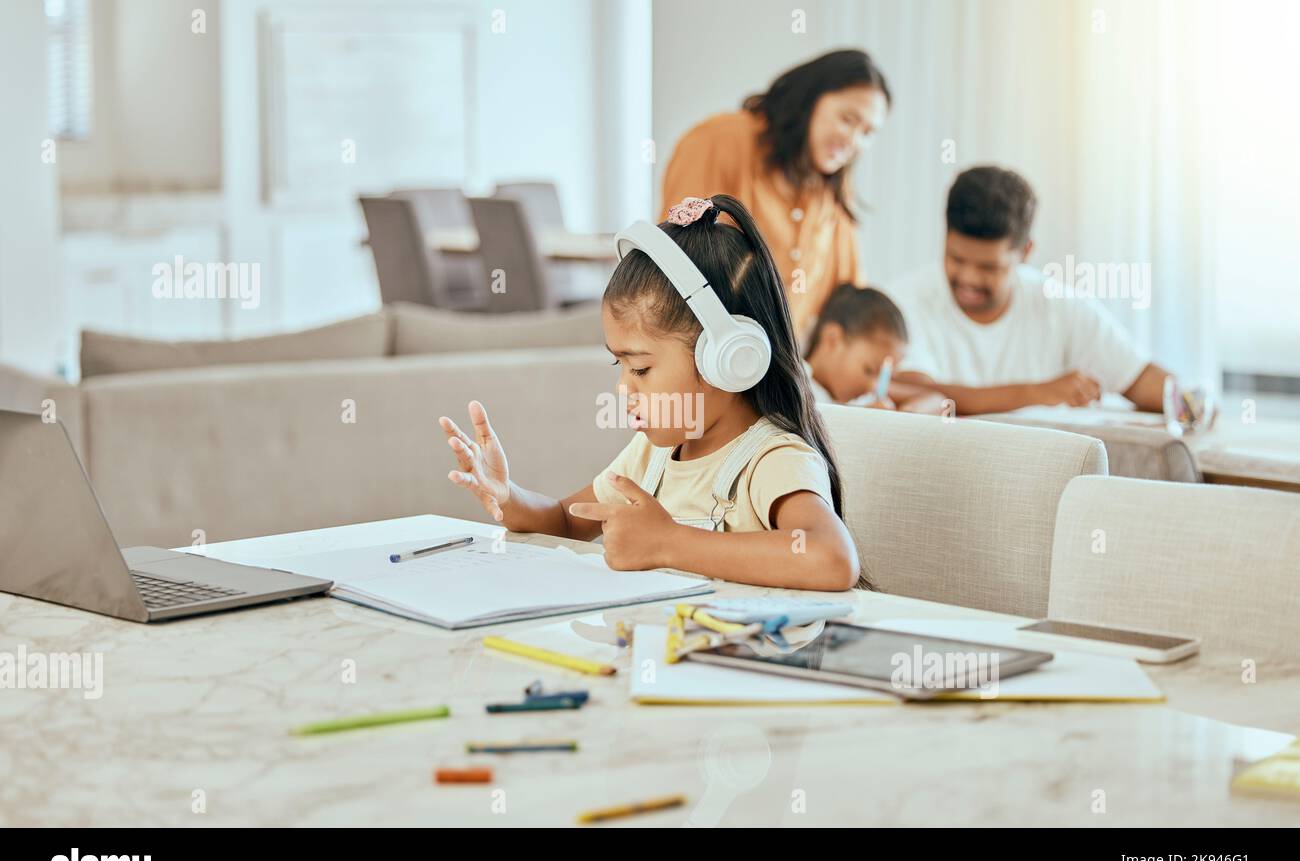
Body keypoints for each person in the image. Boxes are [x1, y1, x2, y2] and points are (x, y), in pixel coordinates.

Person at [438, 194, 861, 591]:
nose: (624, 387)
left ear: (728, 359)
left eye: (640, 367)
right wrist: (509, 496)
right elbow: (567, 523)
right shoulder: (651, 457)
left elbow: (830, 557)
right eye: (618, 364)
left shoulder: (771, 460)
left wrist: (667, 542)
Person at [885, 166, 1170, 414]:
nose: (968, 278)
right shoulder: (900, 303)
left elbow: (1141, 378)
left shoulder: (1059, 304)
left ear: (1025, 252)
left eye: (988, 267)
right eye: (956, 259)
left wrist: (1193, 403)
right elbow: (912, 391)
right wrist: (1040, 393)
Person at [660, 49, 891, 341]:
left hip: (780, 368)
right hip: (703, 350)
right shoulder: (721, 140)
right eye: (847, 119)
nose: (853, 141)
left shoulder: (831, 191)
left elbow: (849, 302)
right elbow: (675, 258)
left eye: (868, 132)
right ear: (811, 99)